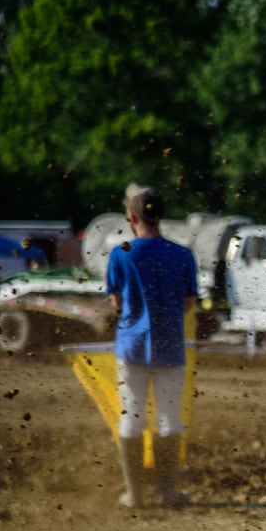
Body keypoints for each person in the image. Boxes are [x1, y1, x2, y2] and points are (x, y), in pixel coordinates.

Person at [105, 182, 199, 509]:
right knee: (170, 419)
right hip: (170, 346)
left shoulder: (121, 253)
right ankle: (167, 491)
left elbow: (116, 302)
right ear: (160, 215)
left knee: (131, 417)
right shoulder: (183, 255)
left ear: (131, 216)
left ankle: (135, 494)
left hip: (131, 346)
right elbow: (189, 303)